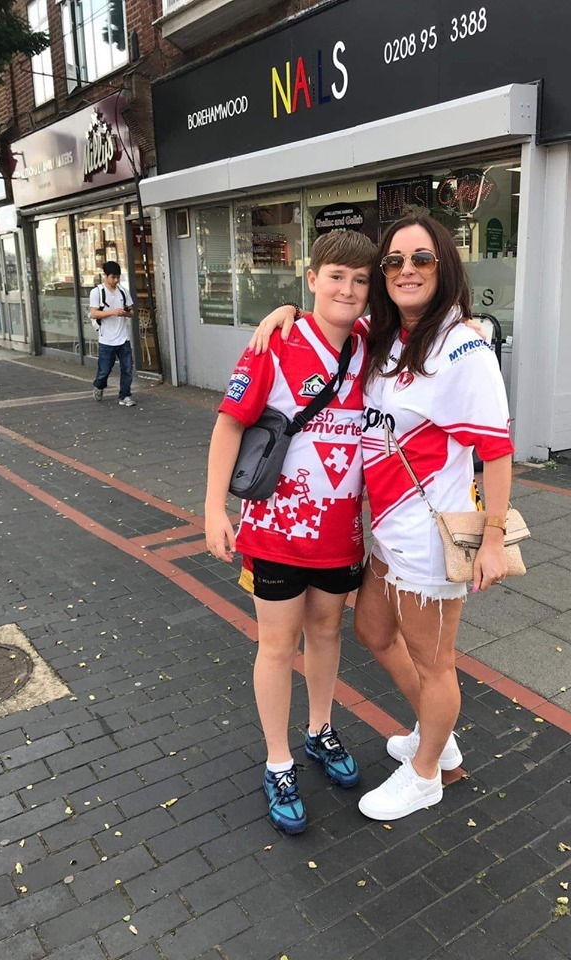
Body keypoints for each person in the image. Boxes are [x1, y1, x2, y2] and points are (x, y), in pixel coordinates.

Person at [253, 215, 513, 822]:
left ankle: (428, 771)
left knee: (436, 660)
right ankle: (436, 736)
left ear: (444, 266)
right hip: (388, 529)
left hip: (436, 530)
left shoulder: (464, 345)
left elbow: (497, 450)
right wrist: (284, 311)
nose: (406, 271)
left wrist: (493, 538)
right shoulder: (388, 334)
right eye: (394, 262)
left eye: (421, 259)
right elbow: (330, 311)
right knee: (371, 629)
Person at [204, 230, 377, 834]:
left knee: (327, 631)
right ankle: (278, 761)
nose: (348, 290)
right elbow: (230, 425)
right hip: (274, 532)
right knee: (277, 645)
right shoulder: (274, 343)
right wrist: (211, 509)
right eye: (336, 277)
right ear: (312, 277)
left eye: (360, 280)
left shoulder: (368, 344)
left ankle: (319, 731)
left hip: (339, 535)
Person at [90, 261, 136, 407]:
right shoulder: (97, 292)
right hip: (106, 339)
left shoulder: (123, 291)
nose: (116, 280)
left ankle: (125, 395)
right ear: (106, 276)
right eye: (113, 277)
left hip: (123, 338)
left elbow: (132, 312)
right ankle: (99, 385)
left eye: (118, 277)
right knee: (104, 370)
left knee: (127, 368)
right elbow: (93, 313)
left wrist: (126, 314)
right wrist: (112, 312)